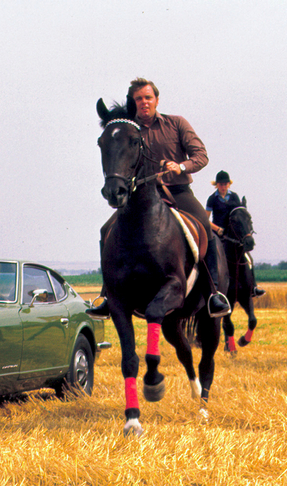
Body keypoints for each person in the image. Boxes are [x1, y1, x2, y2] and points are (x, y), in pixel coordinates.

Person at [88, 77, 230, 318]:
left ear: (156, 99)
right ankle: (107, 294)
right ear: (133, 103)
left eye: (148, 97)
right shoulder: (128, 129)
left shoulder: (176, 124)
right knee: (105, 231)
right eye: (139, 99)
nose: (144, 102)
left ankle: (214, 293)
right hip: (142, 197)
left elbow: (201, 155)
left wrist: (181, 167)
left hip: (178, 192)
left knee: (205, 227)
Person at [205, 170, 266, 297]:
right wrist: (217, 229)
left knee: (249, 259)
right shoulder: (212, 199)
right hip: (218, 234)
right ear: (216, 185)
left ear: (229, 184)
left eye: (226, 184)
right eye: (221, 184)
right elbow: (206, 219)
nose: (223, 187)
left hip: (232, 235)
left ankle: (253, 287)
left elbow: (238, 214)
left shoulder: (234, 197)